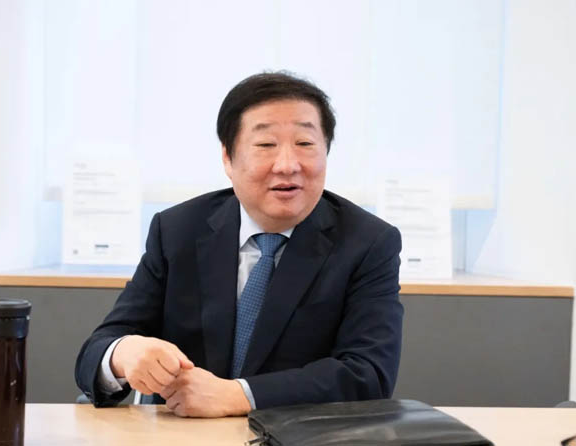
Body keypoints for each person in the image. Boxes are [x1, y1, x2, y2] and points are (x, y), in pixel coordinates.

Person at [75, 72, 403, 418]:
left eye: (305, 144)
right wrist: (123, 353)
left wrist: (239, 395)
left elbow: (369, 374)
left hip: (297, 435)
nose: (288, 165)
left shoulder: (368, 243)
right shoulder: (178, 230)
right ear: (228, 158)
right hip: (184, 435)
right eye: (265, 145)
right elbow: (96, 351)